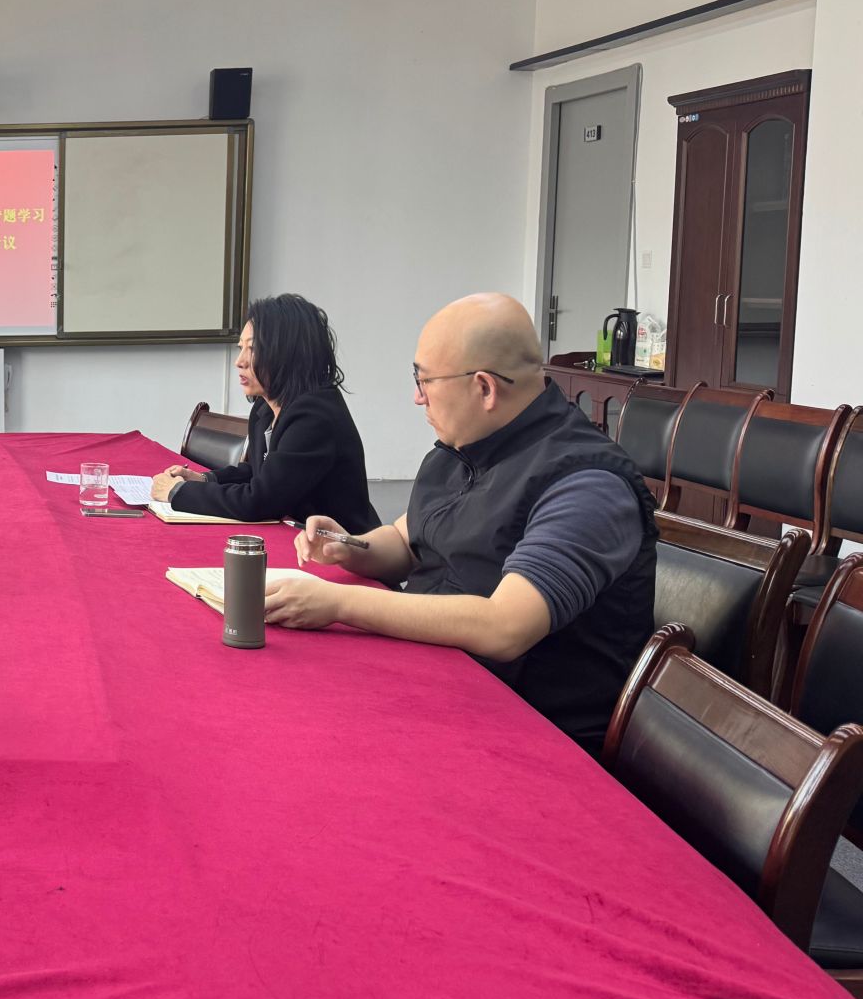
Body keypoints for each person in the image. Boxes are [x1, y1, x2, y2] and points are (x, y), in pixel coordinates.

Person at [264, 292, 656, 750]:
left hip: (526, 731)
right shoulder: (464, 450)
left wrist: (337, 603)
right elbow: (404, 542)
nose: (417, 397)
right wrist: (350, 546)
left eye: (424, 380)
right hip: (438, 685)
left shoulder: (587, 483)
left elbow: (504, 626)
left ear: (484, 388)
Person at [149, 294, 379, 531]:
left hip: (341, 546)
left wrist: (178, 492)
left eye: (253, 349)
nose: (239, 361)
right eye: (241, 348)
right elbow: (259, 472)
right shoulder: (265, 408)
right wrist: (204, 479)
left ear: (288, 352)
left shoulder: (314, 416)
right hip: (299, 536)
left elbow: (260, 501)